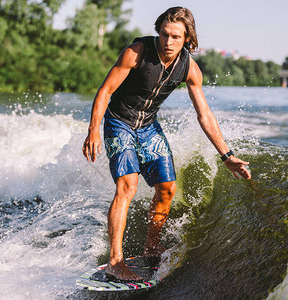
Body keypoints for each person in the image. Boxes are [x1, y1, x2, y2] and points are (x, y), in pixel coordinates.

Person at [82, 6, 251, 281]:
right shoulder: (136, 53)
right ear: (158, 32)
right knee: (128, 185)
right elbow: (105, 90)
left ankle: (151, 246)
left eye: (175, 37)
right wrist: (93, 131)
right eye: (164, 34)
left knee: (167, 188)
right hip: (119, 122)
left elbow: (204, 114)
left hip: (148, 127)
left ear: (187, 39)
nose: (168, 42)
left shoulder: (190, 69)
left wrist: (227, 155)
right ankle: (115, 260)